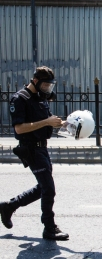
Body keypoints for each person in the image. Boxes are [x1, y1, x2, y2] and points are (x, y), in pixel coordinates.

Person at [0, 66, 69, 241]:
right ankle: (49, 228)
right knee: (49, 189)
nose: (48, 89)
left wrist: (64, 124)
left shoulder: (40, 98)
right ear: (36, 81)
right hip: (30, 148)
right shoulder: (20, 99)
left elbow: (48, 121)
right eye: (46, 85)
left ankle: (9, 206)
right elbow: (19, 128)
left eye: (50, 86)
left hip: (42, 148)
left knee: (42, 188)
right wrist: (46, 121)